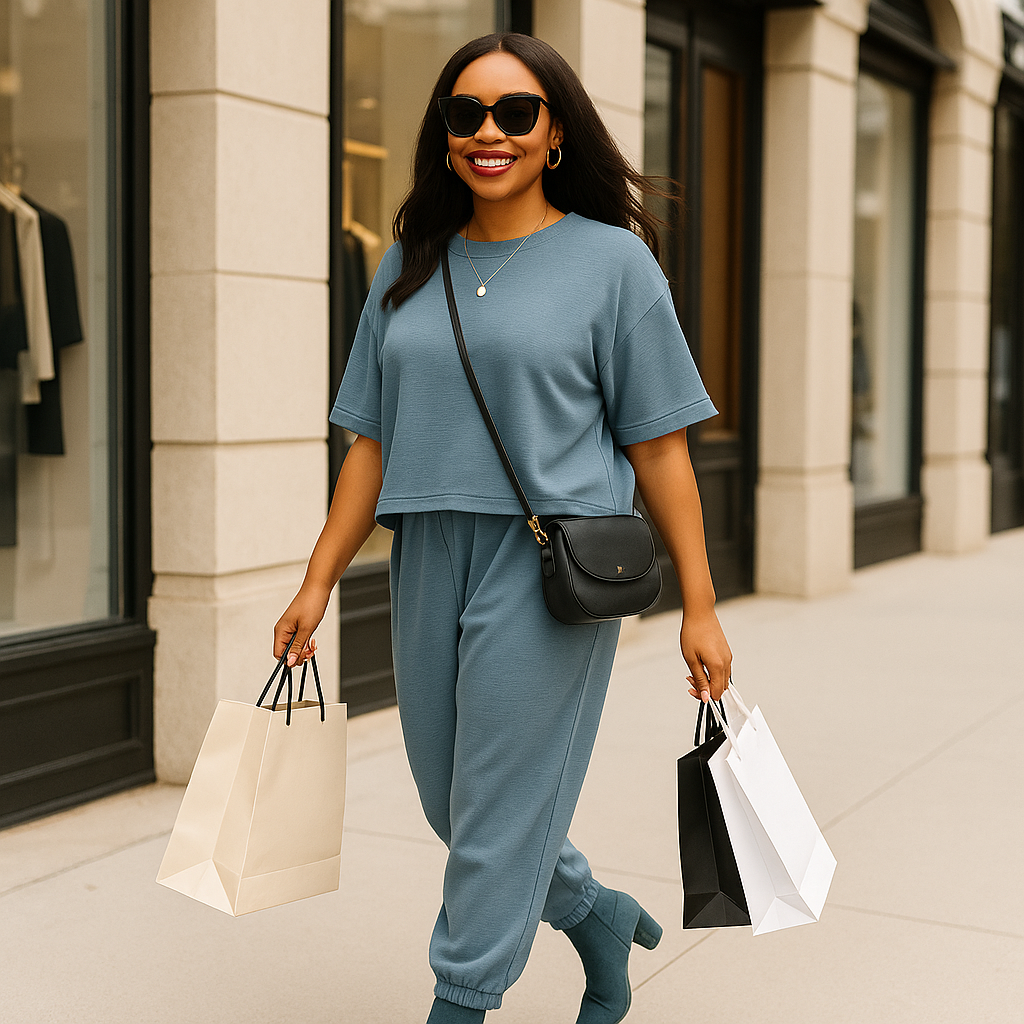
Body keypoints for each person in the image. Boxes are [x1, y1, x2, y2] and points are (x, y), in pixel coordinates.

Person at [274, 32, 733, 1024]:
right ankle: (594, 913)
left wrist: (701, 606)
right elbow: (369, 445)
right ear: (443, 136)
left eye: (514, 112)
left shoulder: (613, 264)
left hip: (550, 565)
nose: (489, 132)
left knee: (492, 817)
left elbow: (660, 449)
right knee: (454, 800)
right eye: (465, 114)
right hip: (426, 550)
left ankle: (461, 1000)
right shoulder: (406, 262)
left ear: (555, 130)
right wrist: (317, 580)